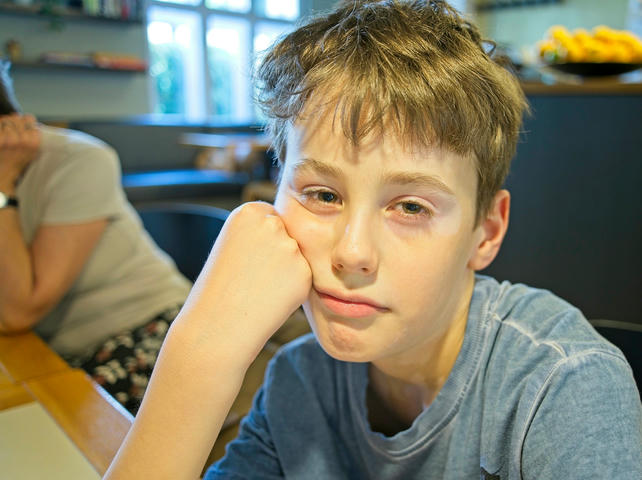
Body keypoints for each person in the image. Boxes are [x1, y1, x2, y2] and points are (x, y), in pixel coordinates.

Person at [105, 1, 642, 478]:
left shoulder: (561, 389)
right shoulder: (297, 383)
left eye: (410, 206)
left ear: (487, 231)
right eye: (322, 194)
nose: (352, 253)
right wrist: (200, 355)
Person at [0, 60, 191, 415]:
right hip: (50, 347)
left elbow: (20, 310)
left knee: (56, 430)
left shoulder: (78, 159)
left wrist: (2, 187)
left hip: (146, 326)